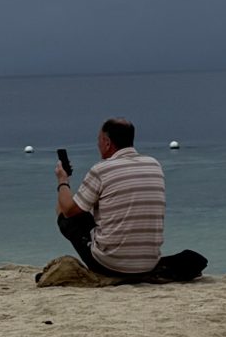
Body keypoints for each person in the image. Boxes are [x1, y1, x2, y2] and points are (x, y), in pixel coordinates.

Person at [55, 117, 167, 280]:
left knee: (65, 214)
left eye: (99, 140)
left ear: (107, 142)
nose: (98, 144)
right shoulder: (154, 165)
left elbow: (68, 210)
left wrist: (62, 180)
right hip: (149, 263)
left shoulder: (101, 170)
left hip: (111, 264)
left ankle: (106, 260)